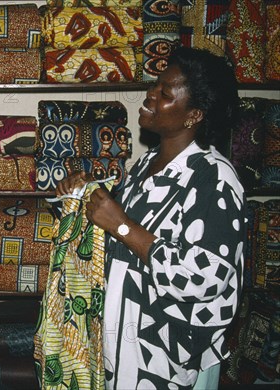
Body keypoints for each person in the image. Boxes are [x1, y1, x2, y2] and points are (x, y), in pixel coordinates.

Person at [56, 47, 245, 389]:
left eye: (165, 93)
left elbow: (204, 278)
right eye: (155, 86)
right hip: (122, 333)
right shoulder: (146, 164)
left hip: (161, 351)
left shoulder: (213, 178)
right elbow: (115, 239)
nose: (150, 95)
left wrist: (121, 225)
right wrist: (83, 195)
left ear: (194, 115)